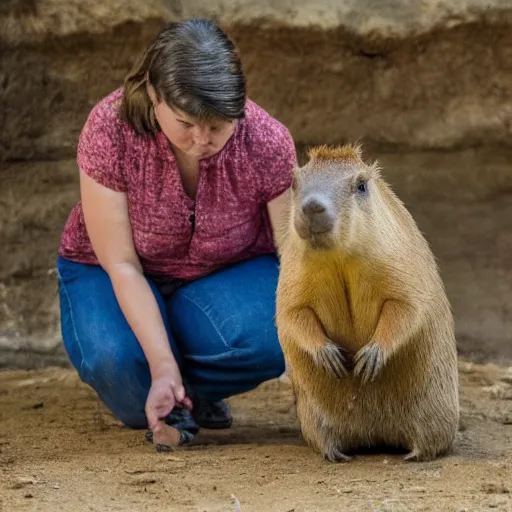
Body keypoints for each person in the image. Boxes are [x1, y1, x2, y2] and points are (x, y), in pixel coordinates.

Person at [56, 18, 297, 448]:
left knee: (278, 334)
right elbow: (123, 265)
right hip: (114, 272)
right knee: (121, 372)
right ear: (154, 95)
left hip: (223, 276)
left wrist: (307, 351)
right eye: (186, 122)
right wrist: (162, 366)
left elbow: (293, 255)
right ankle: (178, 384)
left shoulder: (268, 141)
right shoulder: (109, 129)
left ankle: (193, 393)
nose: (202, 139)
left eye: (219, 126)